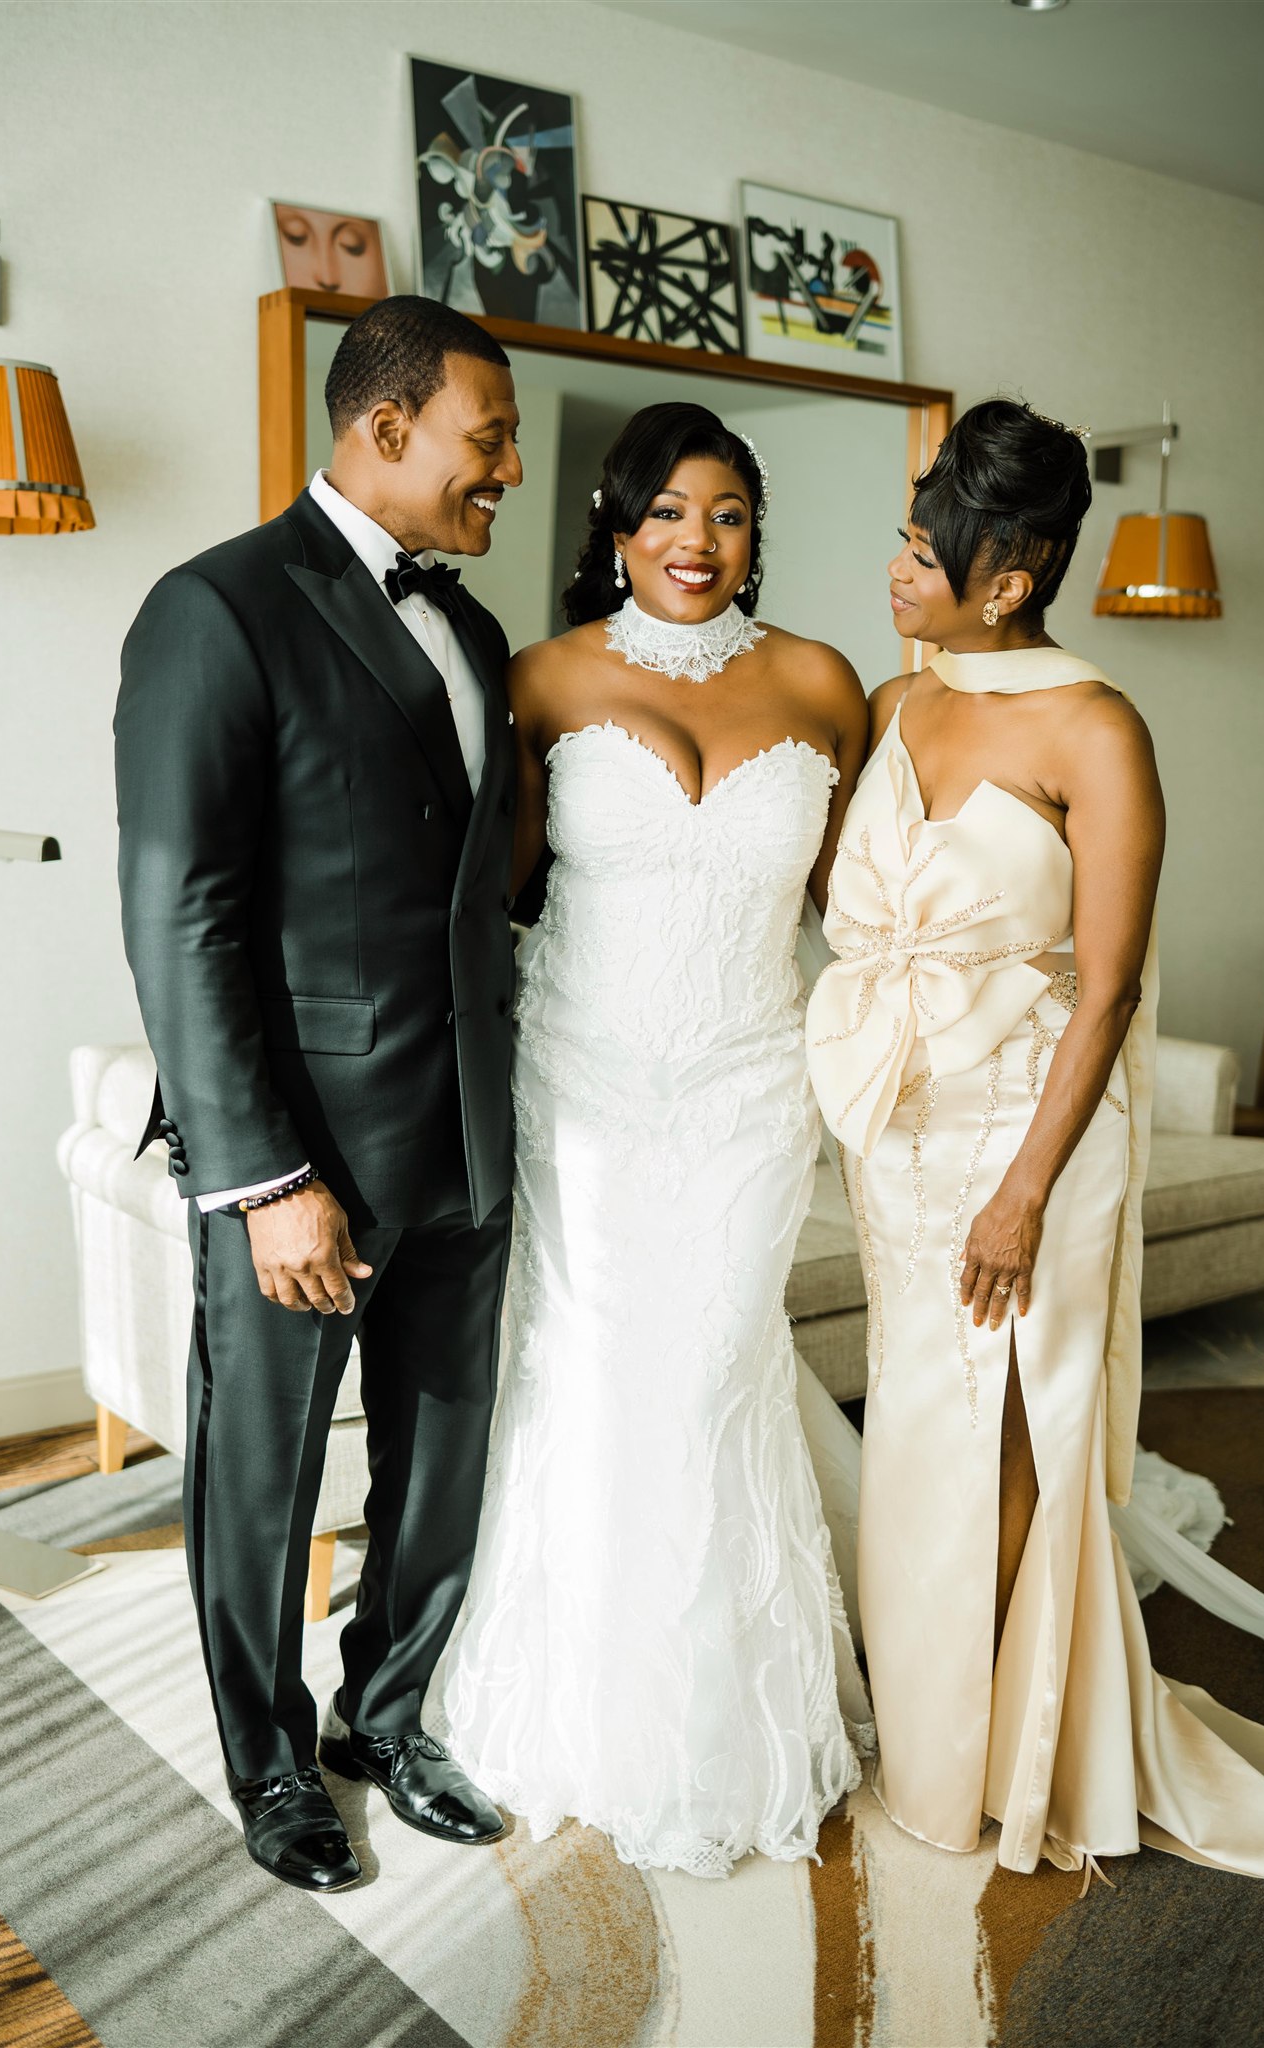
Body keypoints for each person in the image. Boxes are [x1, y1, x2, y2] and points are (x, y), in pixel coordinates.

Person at [806, 398, 1264, 1891]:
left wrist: (1024, 1190)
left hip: (1028, 1135)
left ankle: (1002, 1752)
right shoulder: (901, 706)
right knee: (916, 1425)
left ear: (1010, 571)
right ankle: (927, 1728)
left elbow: (1105, 990)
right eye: (902, 541)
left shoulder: (1095, 726)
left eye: (921, 549)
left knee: (1011, 1432)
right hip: (901, 1136)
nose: (894, 569)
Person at [431, 402, 874, 1877]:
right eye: (668, 512)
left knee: (709, 1383)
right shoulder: (539, 678)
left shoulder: (821, 680)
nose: (698, 542)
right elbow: (493, 893)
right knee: (609, 1383)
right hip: (588, 1089)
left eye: (729, 513)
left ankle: (724, 1726)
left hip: (753, 1088)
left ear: (757, 529)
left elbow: (856, 908)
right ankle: (582, 1714)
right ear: (616, 526)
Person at [115, 296, 523, 1892]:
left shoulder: (478, 634)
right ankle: (270, 1765)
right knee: (265, 1470)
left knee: (442, 1458)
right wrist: (262, 1176)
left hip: (469, 1139)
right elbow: (179, 908)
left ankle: (390, 1713)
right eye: (484, 441)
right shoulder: (215, 607)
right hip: (302, 1158)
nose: (501, 472)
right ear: (385, 427)